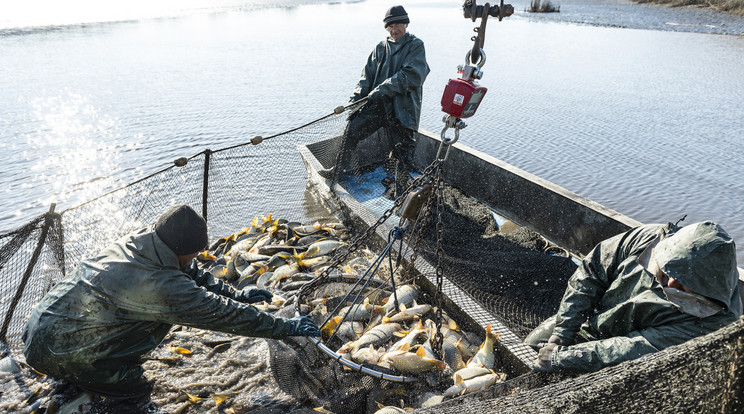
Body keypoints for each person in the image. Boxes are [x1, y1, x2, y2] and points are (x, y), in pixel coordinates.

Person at [22, 205, 320, 400]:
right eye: (195, 253)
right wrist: (282, 327)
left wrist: (237, 293)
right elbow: (222, 315)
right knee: (134, 389)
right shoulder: (161, 285)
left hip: (38, 328)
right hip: (55, 348)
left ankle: (78, 375)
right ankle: (108, 389)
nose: (197, 259)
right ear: (182, 250)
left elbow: (190, 272)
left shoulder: (142, 241)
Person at [526, 220, 741, 373]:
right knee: (532, 347)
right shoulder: (650, 238)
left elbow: (631, 349)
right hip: (591, 321)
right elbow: (591, 272)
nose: (670, 283)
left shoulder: (716, 324)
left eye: (684, 283)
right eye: (667, 271)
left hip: (634, 357)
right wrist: (562, 334)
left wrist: (560, 358)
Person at [320, 5, 430, 199]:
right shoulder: (380, 48)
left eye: (398, 25)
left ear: (406, 24)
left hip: (402, 109)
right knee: (352, 129)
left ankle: (400, 190)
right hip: (378, 106)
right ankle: (337, 170)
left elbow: (412, 75)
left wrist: (382, 89)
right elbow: (366, 78)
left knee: (402, 151)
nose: (394, 30)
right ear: (386, 28)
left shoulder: (415, 45)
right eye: (390, 26)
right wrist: (355, 101)